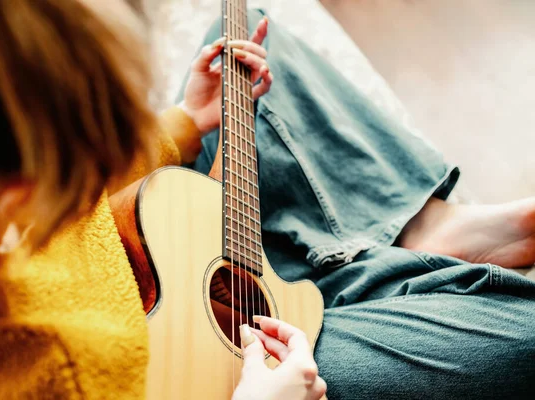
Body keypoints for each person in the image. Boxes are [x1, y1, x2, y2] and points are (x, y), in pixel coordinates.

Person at [0, 1, 325, 399]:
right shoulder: (62, 367)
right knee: (384, 317)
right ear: (19, 197)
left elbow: (87, 182)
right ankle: (352, 260)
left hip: (144, 239)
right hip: (207, 363)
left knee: (241, 40)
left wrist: (187, 119)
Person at [187, 8, 535, 400]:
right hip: (216, 367)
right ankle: (389, 250)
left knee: (239, 41)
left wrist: (185, 119)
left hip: (153, 254)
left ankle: (422, 225)